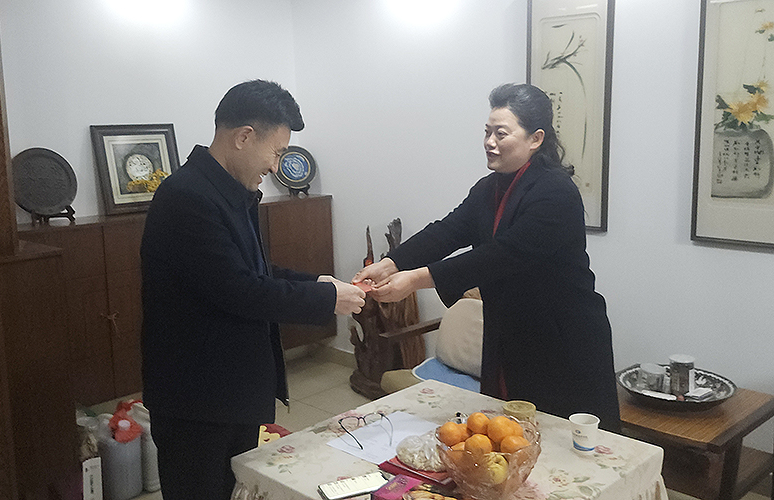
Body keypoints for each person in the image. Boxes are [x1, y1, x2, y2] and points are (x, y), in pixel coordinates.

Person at [141, 79, 366, 500]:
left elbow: (253, 270)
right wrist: (328, 299)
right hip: (198, 399)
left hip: (231, 389)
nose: (277, 166)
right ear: (244, 137)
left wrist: (318, 282)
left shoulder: (228, 190)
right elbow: (239, 290)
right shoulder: (186, 197)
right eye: (277, 152)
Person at [354, 83, 621, 432]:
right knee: (505, 434)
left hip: (560, 335)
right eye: (487, 132)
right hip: (509, 329)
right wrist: (391, 263)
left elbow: (501, 256)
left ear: (535, 139)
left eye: (501, 133)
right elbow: (447, 231)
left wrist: (416, 279)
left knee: (559, 438)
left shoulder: (556, 192)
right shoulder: (488, 187)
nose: (490, 141)